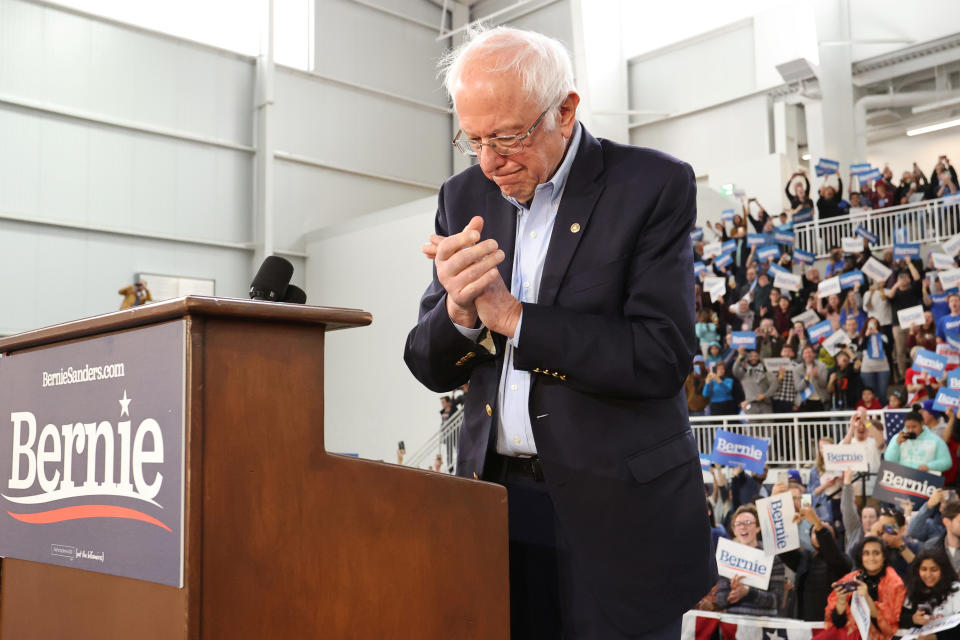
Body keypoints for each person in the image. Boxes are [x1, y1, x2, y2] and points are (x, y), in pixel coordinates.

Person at [403, 27, 713, 638]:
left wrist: (515, 318)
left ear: (565, 111)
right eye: (474, 140)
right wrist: (461, 315)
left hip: (616, 518)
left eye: (510, 138)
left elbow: (660, 356)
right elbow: (430, 364)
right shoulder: (463, 194)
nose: (491, 162)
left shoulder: (650, 185)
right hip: (497, 508)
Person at [823, 537, 905, 640]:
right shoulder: (851, 579)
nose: (871, 558)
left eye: (876, 553)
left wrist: (866, 597)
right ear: (861, 557)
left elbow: (888, 627)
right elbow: (837, 623)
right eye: (866, 553)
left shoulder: (894, 583)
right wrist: (841, 602)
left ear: (884, 557)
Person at [781, 506, 853, 622]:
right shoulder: (804, 558)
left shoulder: (843, 560)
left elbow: (833, 555)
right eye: (815, 532)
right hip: (802, 622)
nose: (819, 535)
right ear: (810, 537)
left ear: (833, 538)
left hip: (828, 623)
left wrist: (817, 524)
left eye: (826, 532)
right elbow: (783, 549)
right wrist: (787, 525)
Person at [714, 505, 788, 617]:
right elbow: (720, 600)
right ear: (734, 530)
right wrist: (731, 594)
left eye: (748, 523)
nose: (743, 527)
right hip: (733, 625)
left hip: (763, 626)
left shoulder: (772, 558)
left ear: (758, 527)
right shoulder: (726, 556)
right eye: (738, 524)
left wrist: (749, 592)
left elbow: (777, 601)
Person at [899, 548, 960, 639]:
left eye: (934, 569)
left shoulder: (956, 589)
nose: (928, 574)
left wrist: (936, 637)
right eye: (924, 569)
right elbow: (898, 619)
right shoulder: (913, 589)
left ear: (943, 570)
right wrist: (913, 619)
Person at [884, 410, 952, 472]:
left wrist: (929, 466)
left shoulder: (936, 440)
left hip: (925, 478)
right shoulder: (898, 438)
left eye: (914, 427)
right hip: (902, 477)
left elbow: (947, 462)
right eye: (908, 427)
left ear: (922, 424)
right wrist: (896, 444)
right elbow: (889, 460)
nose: (910, 430)